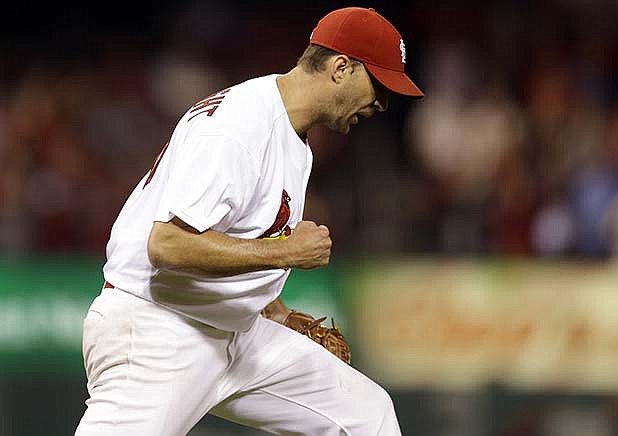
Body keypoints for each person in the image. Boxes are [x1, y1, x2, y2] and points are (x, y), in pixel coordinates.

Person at [75, 6, 423, 436]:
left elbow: (242, 231)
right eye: (379, 85)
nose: (381, 103)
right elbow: (167, 244)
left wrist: (274, 309)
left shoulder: (291, 135)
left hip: (236, 334)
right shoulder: (240, 125)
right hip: (158, 329)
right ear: (340, 68)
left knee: (367, 415)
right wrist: (287, 252)